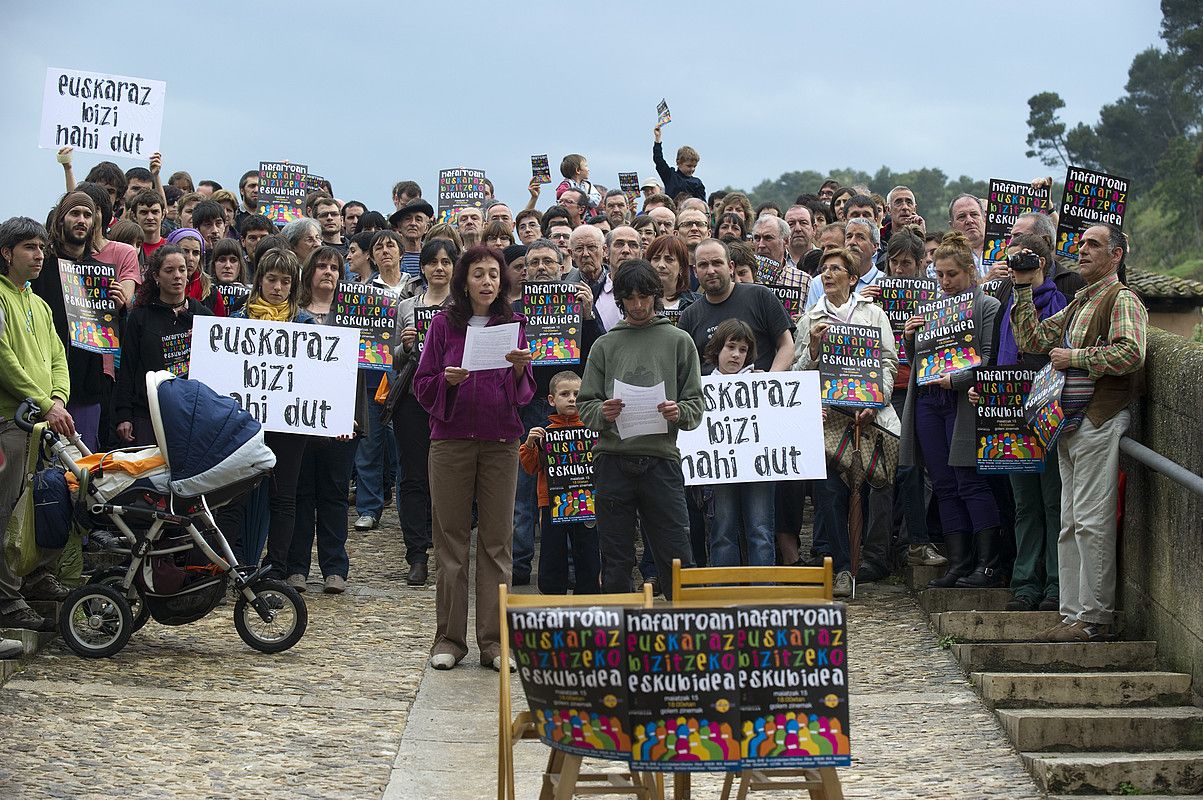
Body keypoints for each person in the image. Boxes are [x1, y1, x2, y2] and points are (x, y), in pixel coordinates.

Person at [1011, 223, 1147, 642]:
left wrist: (1076, 357)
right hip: (1072, 422)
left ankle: (1094, 617)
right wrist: (1020, 286)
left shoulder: (1121, 298)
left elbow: (1131, 352)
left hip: (1098, 418)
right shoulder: (1080, 301)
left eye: (1093, 244)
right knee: (1072, 520)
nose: (1081, 250)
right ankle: (1074, 614)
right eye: (1081, 243)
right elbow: (1031, 338)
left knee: (1089, 519)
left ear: (1116, 255)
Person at [414, 245, 535, 671]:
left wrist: (521, 368)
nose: (487, 281)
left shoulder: (513, 324)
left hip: (501, 441)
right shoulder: (444, 326)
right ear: (465, 280)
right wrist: (446, 382)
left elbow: (525, 393)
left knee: (498, 542)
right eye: (478, 274)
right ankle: (448, 640)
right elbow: (421, 384)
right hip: (451, 441)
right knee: (450, 541)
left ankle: (496, 643)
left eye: (493, 274)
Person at [578, 259, 703, 597]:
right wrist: (603, 412)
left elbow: (696, 405)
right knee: (615, 556)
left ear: (655, 296)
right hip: (612, 458)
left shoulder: (678, 341)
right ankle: (619, 637)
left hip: (661, 459)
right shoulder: (604, 345)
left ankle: (685, 634)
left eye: (644, 297)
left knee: (676, 550)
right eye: (629, 298)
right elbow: (584, 406)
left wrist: (678, 412)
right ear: (619, 300)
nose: (637, 305)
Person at [793, 248, 901, 597]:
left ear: (852, 278)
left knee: (879, 486)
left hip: (870, 417)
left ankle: (873, 558)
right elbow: (796, 375)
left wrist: (876, 400)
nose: (827, 274)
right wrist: (812, 348)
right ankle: (841, 568)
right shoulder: (810, 319)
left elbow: (888, 362)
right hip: (828, 422)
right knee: (828, 491)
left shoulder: (873, 315)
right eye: (823, 269)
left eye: (835, 269)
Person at [899, 232, 1002, 589]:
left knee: (969, 481)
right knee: (943, 483)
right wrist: (910, 338)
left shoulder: (986, 305)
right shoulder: (930, 308)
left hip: (962, 403)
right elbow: (919, 362)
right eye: (939, 275)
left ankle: (987, 564)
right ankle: (959, 563)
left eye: (951, 275)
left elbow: (989, 360)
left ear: (970, 272)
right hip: (929, 402)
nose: (944, 282)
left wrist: (956, 380)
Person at [975, 231, 1067, 612]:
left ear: (1039, 263)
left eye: (1021, 262)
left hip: (1045, 410)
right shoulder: (1006, 300)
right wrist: (986, 389)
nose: (1012, 269)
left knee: (1052, 502)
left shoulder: (1059, 302)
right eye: (1010, 262)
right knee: (1024, 504)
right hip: (1009, 410)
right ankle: (1025, 582)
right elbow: (997, 355)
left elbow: (1040, 347)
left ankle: (1056, 585)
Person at [509, 240, 603, 586]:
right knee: (524, 490)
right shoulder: (515, 309)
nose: (541, 267)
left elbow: (598, 353)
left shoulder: (578, 305)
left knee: (572, 488)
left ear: (563, 266)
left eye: (549, 261)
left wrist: (589, 315)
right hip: (529, 404)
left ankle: (574, 568)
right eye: (533, 262)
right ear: (524, 271)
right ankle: (520, 566)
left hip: (571, 408)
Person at [221, 249, 315, 575]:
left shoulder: (305, 324)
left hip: (290, 425)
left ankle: (276, 568)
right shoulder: (236, 322)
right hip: (244, 426)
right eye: (272, 279)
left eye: (285, 281)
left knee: (284, 497)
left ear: (294, 286)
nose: (277, 287)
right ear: (259, 280)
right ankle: (232, 567)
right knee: (234, 497)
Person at [0, 217, 74, 631]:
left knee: (47, 507)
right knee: (8, 512)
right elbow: (4, 360)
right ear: (7, 253)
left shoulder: (39, 304)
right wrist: (46, 403)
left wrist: (58, 398)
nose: (40, 255)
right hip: (10, 425)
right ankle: (6, 599)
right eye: (30, 247)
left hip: (44, 425)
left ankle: (34, 581)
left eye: (42, 248)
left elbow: (58, 356)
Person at [286, 247, 355, 595]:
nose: (328, 272)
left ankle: (334, 568)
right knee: (300, 494)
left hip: (341, 423)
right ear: (309, 273)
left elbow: (363, 370)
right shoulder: (293, 315)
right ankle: (296, 567)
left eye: (334, 267)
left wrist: (352, 417)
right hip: (299, 418)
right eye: (321, 266)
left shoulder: (353, 316)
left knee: (334, 495)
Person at [392, 239, 459, 586]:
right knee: (414, 477)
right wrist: (405, 346)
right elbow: (393, 358)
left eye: (446, 262)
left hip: (452, 398)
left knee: (448, 477)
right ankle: (416, 554)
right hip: (414, 397)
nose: (439, 268)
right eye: (433, 262)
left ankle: (447, 551)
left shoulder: (462, 306)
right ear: (424, 267)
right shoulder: (406, 306)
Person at [882, 226, 948, 570]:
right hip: (888, 389)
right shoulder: (876, 295)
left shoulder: (935, 297)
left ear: (921, 263)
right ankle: (898, 541)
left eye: (906, 263)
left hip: (920, 387)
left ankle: (914, 540)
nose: (899, 270)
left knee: (919, 471)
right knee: (899, 469)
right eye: (894, 263)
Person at [113, 245, 214, 446]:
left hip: (191, 415)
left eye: (182, 270)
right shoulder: (140, 317)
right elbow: (127, 368)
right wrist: (124, 415)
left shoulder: (203, 316)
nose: (177, 276)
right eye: (169, 270)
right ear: (156, 276)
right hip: (148, 416)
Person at [700, 319, 778, 567]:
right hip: (720, 470)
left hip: (758, 470)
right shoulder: (701, 386)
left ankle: (764, 599)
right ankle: (723, 597)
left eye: (742, 350)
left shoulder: (762, 382)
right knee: (722, 531)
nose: (736, 355)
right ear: (717, 350)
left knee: (761, 532)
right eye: (731, 347)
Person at [519, 371, 602, 595]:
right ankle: (551, 594)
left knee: (588, 549)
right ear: (551, 400)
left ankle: (589, 595)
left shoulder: (592, 429)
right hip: (552, 502)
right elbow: (530, 467)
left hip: (587, 501)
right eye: (565, 394)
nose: (572, 398)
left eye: (577, 393)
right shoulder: (544, 432)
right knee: (552, 550)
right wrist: (529, 444)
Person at [678, 239, 795, 372]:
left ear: (731, 267)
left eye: (717, 263)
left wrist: (769, 379)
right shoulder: (689, 316)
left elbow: (787, 345)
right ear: (695, 271)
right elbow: (683, 367)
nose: (710, 271)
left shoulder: (760, 296)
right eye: (703, 265)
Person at [165, 227, 226, 315]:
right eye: (185, 251)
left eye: (196, 253)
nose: (190, 258)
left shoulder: (212, 294)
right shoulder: (159, 289)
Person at [647, 234, 697, 319]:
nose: (661, 265)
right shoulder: (639, 303)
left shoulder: (696, 303)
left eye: (669, 259)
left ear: (681, 267)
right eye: (656, 258)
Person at [652, 126, 705, 201]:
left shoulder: (697, 183)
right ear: (678, 163)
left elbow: (702, 202)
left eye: (694, 166)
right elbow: (658, 160)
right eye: (689, 166)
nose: (692, 169)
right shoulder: (670, 176)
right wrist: (657, 139)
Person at [211, 238, 251, 315]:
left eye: (233, 260)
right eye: (222, 260)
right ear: (214, 265)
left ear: (240, 265)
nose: (228, 266)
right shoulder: (204, 294)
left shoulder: (251, 296)